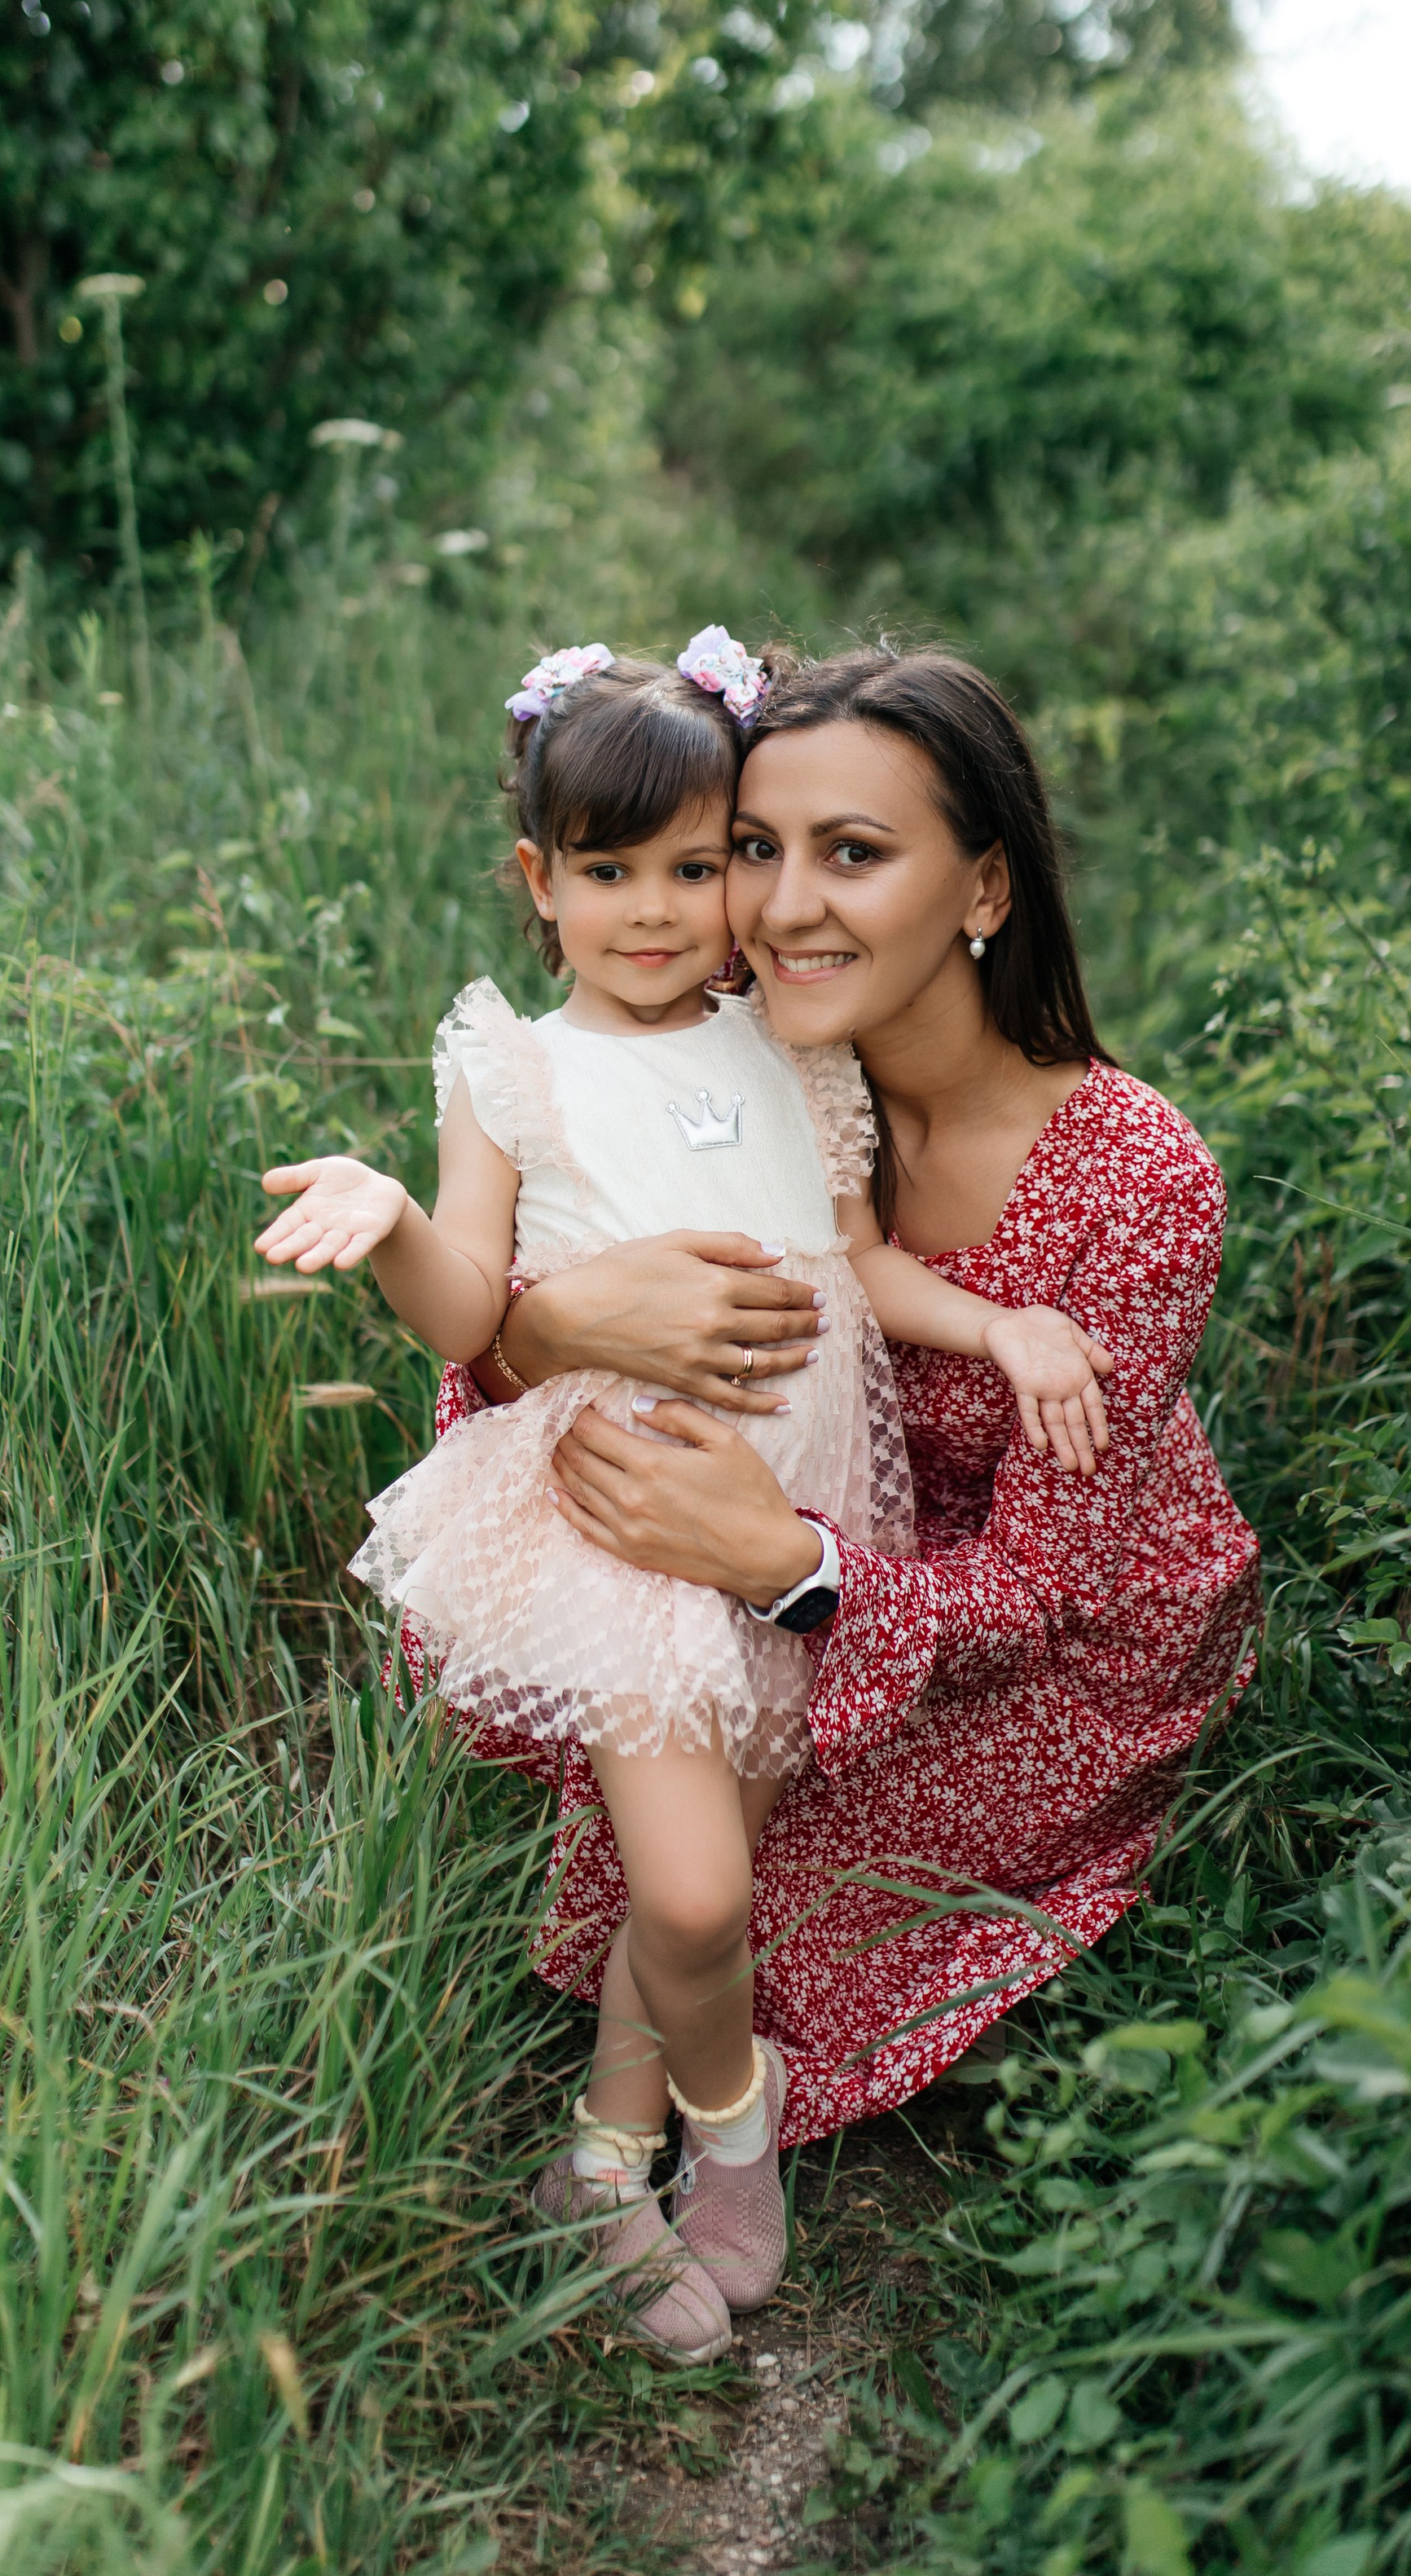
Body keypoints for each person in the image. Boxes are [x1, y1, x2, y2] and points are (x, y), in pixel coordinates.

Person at [255, 633, 1114, 2362]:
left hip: (800, 1507)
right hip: (631, 1527)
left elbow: (861, 1265)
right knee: (704, 1894)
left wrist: (1002, 1321)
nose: (653, 910)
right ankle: (735, 2125)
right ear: (539, 881)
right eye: (606, 873)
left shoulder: (788, 1049)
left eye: (695, 865)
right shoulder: (512, 1068)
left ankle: (594, 2161)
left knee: (680, 1885)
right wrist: (394, 1221)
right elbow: (475, 1316)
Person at [437, 641, 1261, 2219]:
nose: (781, 906)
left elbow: (1043, 1594)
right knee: (686, 1849)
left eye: (855, 854)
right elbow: (514, 1348)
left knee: (749, 1889)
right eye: (753, 848)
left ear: (984, 888)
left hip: (1030, 1644)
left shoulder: (1135, 1178)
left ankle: (678, 2137)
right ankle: (634, 2137)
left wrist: (784, 1565)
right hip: (756, 1542)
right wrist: (554, 1325)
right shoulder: (732, 1052)